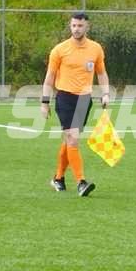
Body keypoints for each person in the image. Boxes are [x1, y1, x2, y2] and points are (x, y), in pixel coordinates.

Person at [41, 12, 111, 197]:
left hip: (84, 100)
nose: (76, 29)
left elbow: (101, 73)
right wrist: (45, 102)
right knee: (73, 139)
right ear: (70, 26)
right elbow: (49, 77)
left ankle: (58, 178)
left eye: (80, 26)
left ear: (87, 27)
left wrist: (105, 94)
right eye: (73, 25)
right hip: (65, 97)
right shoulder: (59, 50)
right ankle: (81, 182)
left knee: (69, 141)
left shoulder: (96, 49)